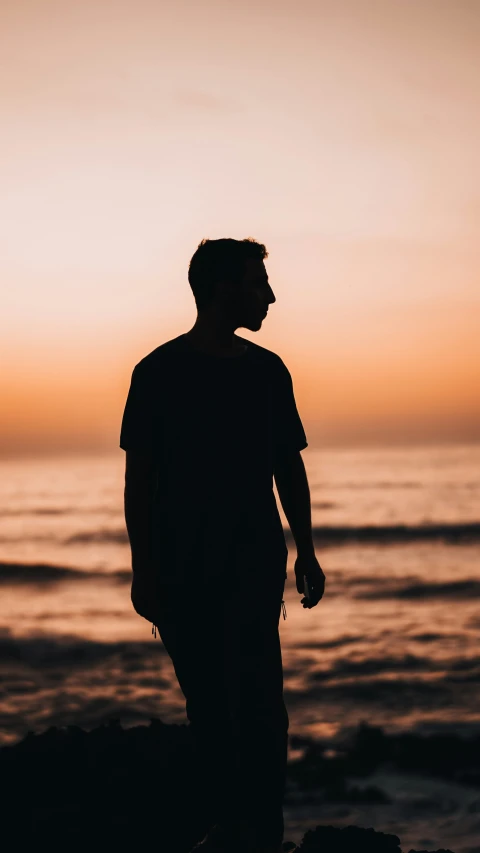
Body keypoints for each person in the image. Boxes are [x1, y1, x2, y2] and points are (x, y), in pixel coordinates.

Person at [120, 237, 326, 853]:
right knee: (208, 706)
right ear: (223, 290)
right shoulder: (157, 373)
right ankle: (226, 828)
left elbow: (288, 467)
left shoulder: (268, 371)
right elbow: (139, 482)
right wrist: (144, 571)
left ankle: (262, 833)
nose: (269, 294)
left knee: (263, 706)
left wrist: (306, 551)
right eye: (258, 282)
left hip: (253, 565)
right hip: (183, 570)